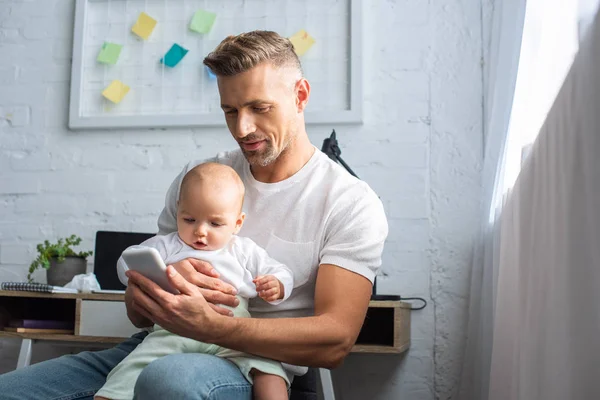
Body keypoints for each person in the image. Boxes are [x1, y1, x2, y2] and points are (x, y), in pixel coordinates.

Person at [0, 30, 388, 399]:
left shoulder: (349, 201)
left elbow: (336, 340)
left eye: (259, 108)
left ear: (300, 95)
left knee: (169, 379)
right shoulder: (200, 179)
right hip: (160, 344)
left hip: (253, 363)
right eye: (230, 110)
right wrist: (154, 289)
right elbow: (139, 314)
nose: (243, 127)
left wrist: (216, 326)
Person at [95, 162, 295, 400]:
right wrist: (163, 271)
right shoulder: (167, 245)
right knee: (132, 367)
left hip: (232, 332)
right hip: (173, 333)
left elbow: (280, 271)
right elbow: (127, 262)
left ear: (237, 223)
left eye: (215, 223)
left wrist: (278, 285)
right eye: (189, 219)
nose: (200, 231)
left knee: (268, 367)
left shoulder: (242, 249)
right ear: (178, 210)